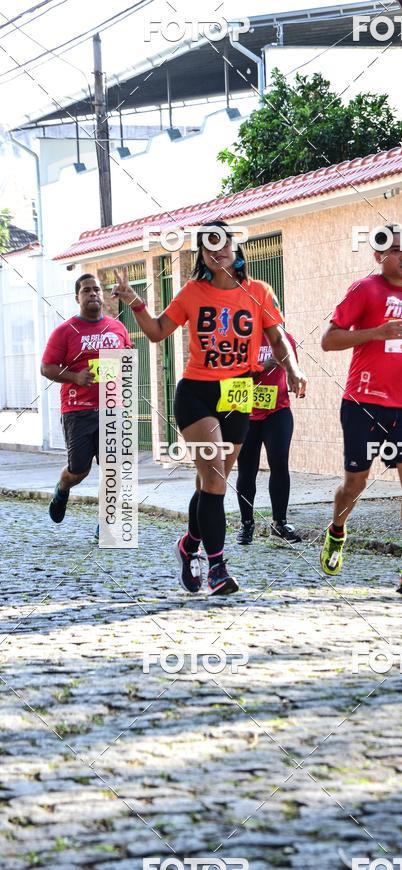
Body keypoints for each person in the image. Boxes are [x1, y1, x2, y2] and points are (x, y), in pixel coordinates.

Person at [110, 221, 306, 596]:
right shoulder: (192, 292)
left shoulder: (259, 292)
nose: (217, 251)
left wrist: (294, 371)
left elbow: (278, 338)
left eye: (222, 242)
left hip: (238, 393)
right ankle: (217, 568)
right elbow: (156, 332)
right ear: (201, 254)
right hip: (197, 393)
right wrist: (134, 301)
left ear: (235, 247)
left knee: (208, 485)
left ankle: (189, 545)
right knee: (215, 480)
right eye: (208, 245)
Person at [319, 225, 402, 595]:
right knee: (355, 483)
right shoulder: (365, 290)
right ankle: (337, 531)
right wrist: (376, 332)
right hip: (364, 402)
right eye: (395, 250)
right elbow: (329, 340)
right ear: (378, 256)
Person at [41, 274, 132, 536]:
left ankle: (106, 523)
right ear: (77, 297)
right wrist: (75, 377)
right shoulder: (65, 331)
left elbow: (126, 355)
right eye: (86, 290)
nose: (93, 293)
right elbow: (46, 367)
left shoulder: (117, 327)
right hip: (77, 410)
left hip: (112, 408)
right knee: (79, 471)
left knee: (113, 468)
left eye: (96, 289)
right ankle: (62, 488)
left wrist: (127, 356)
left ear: (102, 295)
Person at [236, 328, 302, 545]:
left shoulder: (285, 338)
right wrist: (263, 366)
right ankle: (246, 523)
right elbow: (232, 377)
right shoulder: (240, 338)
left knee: (280, 462)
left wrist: (295, 379)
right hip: (245, 412)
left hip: (278, 410)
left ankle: (280, 523)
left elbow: (292, 370)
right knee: (247, 469)